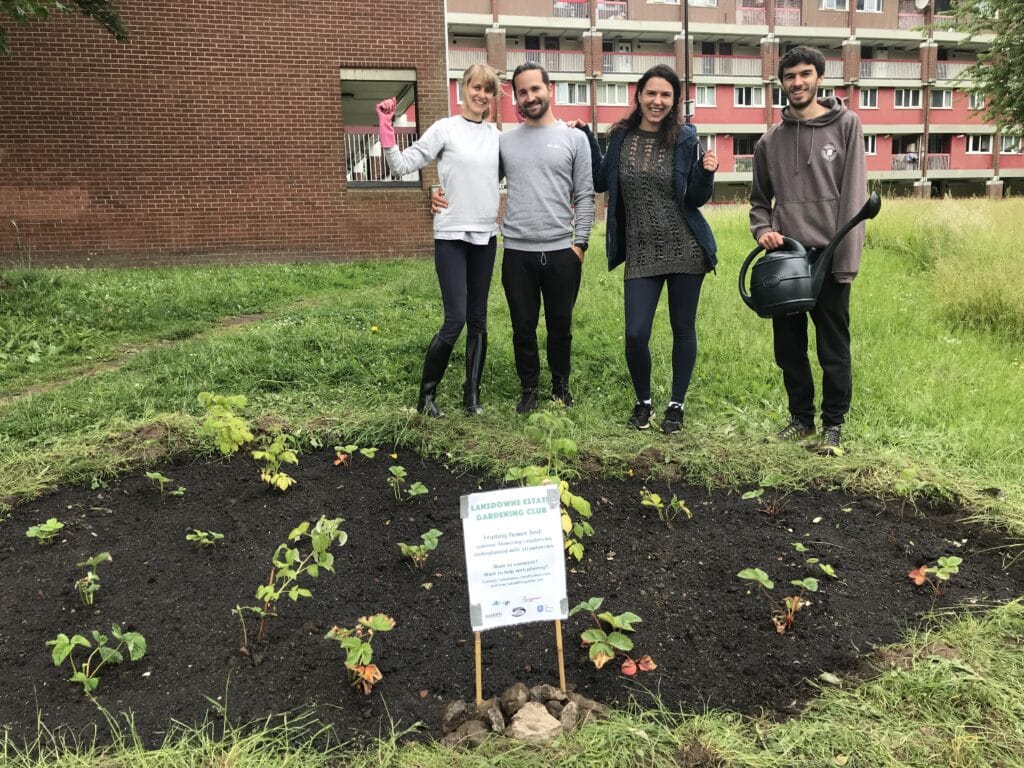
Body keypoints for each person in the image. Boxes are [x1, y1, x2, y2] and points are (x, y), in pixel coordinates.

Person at [434, 61, 595, 414]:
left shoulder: (575, 138)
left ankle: (560, 387)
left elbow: (585, 194)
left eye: (535, 89)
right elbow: (470, 171)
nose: (529, 96)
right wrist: (436, 190)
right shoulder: (504, 142)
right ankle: (528, 390)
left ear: (548, 89)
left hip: (561, 252)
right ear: (516, 99)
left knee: (560, 327)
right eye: (522, 92)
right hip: (517, 251)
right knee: (523, 328)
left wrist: (579, 243)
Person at [575, 64, 718, 434]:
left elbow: (697, 198)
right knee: (636, 333)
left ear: (674, 100)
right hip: (641, 250)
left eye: (666, 95)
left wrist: (707, 171)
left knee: (682, 327)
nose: (658, 101)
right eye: (651, 93)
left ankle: (676, 405)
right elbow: (601, 180)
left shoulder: (685, 137)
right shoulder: (621, 136)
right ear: (638, 95)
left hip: (685, 246)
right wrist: (588, 138)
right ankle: (644, 402)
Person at [749, 45, 867, 456]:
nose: (797, 83)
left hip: (830, 257)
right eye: (789, 77)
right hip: (787, 261)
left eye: (804, 74)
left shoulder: (847, 125)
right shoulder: (769, 142)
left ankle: (833, 425)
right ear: (780, 83)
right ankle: (801, 419)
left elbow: (854, 196)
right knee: (789, 347)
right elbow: (760, 201)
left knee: (833, 346)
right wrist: (763, 230)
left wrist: (845, 259)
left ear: (819, 77)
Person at [376, 63, 501, 418]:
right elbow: (401, 166)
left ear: (493, 96)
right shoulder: (445, 129)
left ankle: (471, 396)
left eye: (487, 90)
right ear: (464, 87)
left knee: (478, 319)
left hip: (486, 236)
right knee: (455, 319)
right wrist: (387, 128)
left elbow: (519, 169)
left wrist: (573, 133)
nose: (481, 94)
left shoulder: (496, 136)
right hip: (450, 236)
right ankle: (426, 396)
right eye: (475, 87)